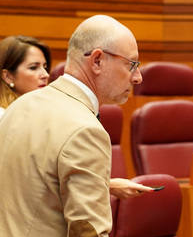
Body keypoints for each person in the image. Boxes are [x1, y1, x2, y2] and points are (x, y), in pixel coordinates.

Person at [0, 15, 163, 237]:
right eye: (132, 64)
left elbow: (31, 187)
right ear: (98, 60)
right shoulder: (85, 129)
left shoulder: (21, 107)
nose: (137, 77)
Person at [0, 34, 152, 199]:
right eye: (33, 67)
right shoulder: (5, 118)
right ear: (8, 76)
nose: (44, 74)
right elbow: (28, 178)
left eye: (45, 67)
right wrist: (109, 185)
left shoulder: (49, 113)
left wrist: (107, 185)